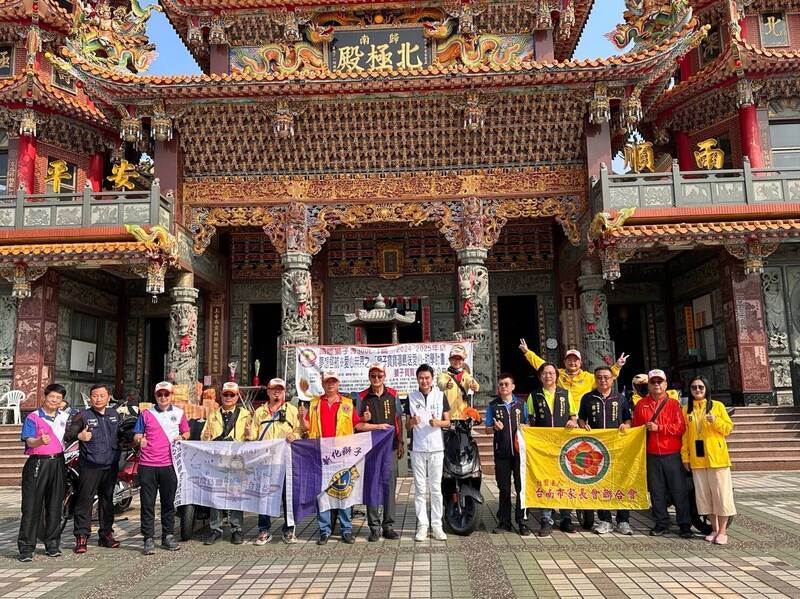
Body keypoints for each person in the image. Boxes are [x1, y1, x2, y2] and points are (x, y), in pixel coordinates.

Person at [299, 370, 361, 545]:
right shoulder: (314, 404)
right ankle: (324, 530)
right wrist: (302, 418)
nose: (330, 384)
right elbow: (306, 428)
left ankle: (346, 529)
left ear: (338, 383)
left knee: (344, 492)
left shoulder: (347, 404)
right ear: (322, 382)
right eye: (327, 381)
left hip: (343, 454)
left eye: (333, 381)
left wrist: (377, 425)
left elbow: (357, 424)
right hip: (320, 454)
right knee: (323, 494)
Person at [632, 369, 692, 538]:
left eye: (660, 382)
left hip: (672, 453)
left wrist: (660, 428)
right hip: (651, 455)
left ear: (666, 384)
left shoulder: (674, 404)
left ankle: (684, 525)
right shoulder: (641, 405)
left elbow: (680, 427)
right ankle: (661, 523)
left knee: (679, 491)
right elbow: (635, 430)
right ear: (648, 385)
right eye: (653, 382)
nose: (656, 385)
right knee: (657, 492)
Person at [133, 381, 190, 555]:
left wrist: (182, 437)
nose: (163, 397)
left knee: (168, 503)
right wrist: (139, 440)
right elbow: (137, 435)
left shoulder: (179, 413)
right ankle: (148, 538)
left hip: (169, 464)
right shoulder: (146, 414)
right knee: (148, 503)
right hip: (148, 464)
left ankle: (168, 536)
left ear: (171, 395)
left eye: (166, 394)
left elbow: (186, 433)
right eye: (160, 395)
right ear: (155, 396)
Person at [64, 383, 122, 553]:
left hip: (110, 464)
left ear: (108, 397)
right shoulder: (82, 415)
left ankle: (106, 535)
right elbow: (68, 435)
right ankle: (81, 536)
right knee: (85, 500)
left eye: (102, 395)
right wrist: (79, 435)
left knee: (107, 500)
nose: (98, 399)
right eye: (95, 396)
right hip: (89, 465)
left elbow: (122, 434)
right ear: (90, 398)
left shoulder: (114, 414)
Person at [17, 383, 72, 562]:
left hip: (58, 462)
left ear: (62, 401)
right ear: (45, 396)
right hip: (38, 464)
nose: (55, 400)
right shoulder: (33, 417)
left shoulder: (64, 416)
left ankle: (52, 545)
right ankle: (26, 548)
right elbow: (29, 441)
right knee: (32, 507)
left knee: (55, 505)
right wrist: (40, 441)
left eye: (58, 398)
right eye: (52, 397)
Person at [578, 367, 633, 535]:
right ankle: (605, 520)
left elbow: (628, 419)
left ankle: (623, 520)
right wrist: (582, 425)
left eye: (606, 377)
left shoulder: (621, 398)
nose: (603, 380)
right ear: (595, 379)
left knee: (620, 482)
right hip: (596, 449)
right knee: (600, 483)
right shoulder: (588, 398)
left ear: (612, 379)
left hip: (617, 448)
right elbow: (581, 418)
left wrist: (627, 425)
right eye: (599, 377)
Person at [681, 375, 736, 545]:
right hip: (698, 460)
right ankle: (713, 528)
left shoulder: (717, 406)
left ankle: (722, 531)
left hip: (717, 459)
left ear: (706, 389)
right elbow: (684, 435)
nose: (697, 390)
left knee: (721, 495)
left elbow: (728, 429)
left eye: (700, 387)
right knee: (705, 496)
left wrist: (716, 421)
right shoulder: (686, 410)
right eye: (694, 388)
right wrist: (685, 456)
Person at [355, 362, 403, 542]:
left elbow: (398, 420)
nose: (376, 379)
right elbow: (357, 425)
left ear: (385, 376)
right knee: (372, 486)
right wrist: (363, 418)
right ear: (369, 377)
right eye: (373, 376)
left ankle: (388, 526)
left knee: (389, 486)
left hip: (389, 448)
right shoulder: (361, 397)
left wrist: (400, 442)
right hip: (370, 449)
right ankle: (374, 527)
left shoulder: (393, 395)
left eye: (380, 376)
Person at [201, 381, 253, 545]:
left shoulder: (246, 414)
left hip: (237, 460)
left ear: (238, 396)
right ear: (221, 396)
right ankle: (215, 529)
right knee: (216, 495)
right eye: (226, 394)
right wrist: (206, 436)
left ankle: (236, 529)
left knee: (236, 494)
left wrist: (249, 436)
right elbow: (204, 437)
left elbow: (251, 438)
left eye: (232, 395)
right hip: (218, 460)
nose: (229, 397)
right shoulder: (213, 414)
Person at [527, 362, 576, 536]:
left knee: (564, 480)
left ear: (557, 376)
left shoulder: (565, 394)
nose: (548, 376)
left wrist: (574, 421)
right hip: (543, 447)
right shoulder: (534, 396)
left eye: (551, 373)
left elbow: (573, 414)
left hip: (563, 446)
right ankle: (546, 519)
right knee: (546, 481)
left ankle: (566, 518)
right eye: (545, 373)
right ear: (540, 377)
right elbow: (529, 419)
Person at [251, 377, 300, 545]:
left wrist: (296, 435)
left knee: (288, 497)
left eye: (280, 389)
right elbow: (253, 435)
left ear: (284, 391)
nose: (277, 391)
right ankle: (263, 529)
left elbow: (300, 430)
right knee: (264, 495)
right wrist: (249, 436)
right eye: (274, 389)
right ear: (268, 391)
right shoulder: (259, 412)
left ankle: (289, 530)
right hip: (266, 461)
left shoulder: (292, 410)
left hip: (286, 460)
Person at [519, 338, 627, 414]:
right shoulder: (558, 374)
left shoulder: (588, 377)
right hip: (563, 415)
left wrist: (617, 366)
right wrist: (527, 352)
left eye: (575, 360)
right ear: (564, 362)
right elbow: (541, 365)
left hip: (583, 416)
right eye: (569, 360)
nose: (572, 363)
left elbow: (606, 377)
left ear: (580, 363)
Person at [406, 363, 450, 542]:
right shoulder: (411, 397)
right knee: (419, 489)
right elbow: (407, 424)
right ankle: (422, 525)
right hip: (417, 448)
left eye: (427, 378)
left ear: (432, 379)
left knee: (436, 488)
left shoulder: (440, 396)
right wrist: (412, 422)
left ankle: (437, 525)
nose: (424, 381)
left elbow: (448, 422)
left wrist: (438, 423)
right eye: (421, 378)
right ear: (417, 379)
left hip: (436, 448)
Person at [484, 373, 530, 536]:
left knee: (521, 488)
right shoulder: (493, 406)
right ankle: (504, 521)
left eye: (506, 384)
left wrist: (526, 427)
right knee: (504, 488)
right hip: (501, 452)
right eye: (501, 384)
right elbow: (487, 429)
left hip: (520, 454)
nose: (503, 387)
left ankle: (522, 521)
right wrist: (494, 428)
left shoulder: (521, 405)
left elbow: (528, 425)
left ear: (513, 387)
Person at [436, 345, 478, 420]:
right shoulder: (443, 375)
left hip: (463, 417)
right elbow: (440, 383)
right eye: (454, 359)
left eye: (459, 359)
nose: (457, 361)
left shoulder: (466, 375)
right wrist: (446, 384)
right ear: (450, 360)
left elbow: (473, 383)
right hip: (448, 417)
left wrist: (474, 386)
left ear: (463, 361)